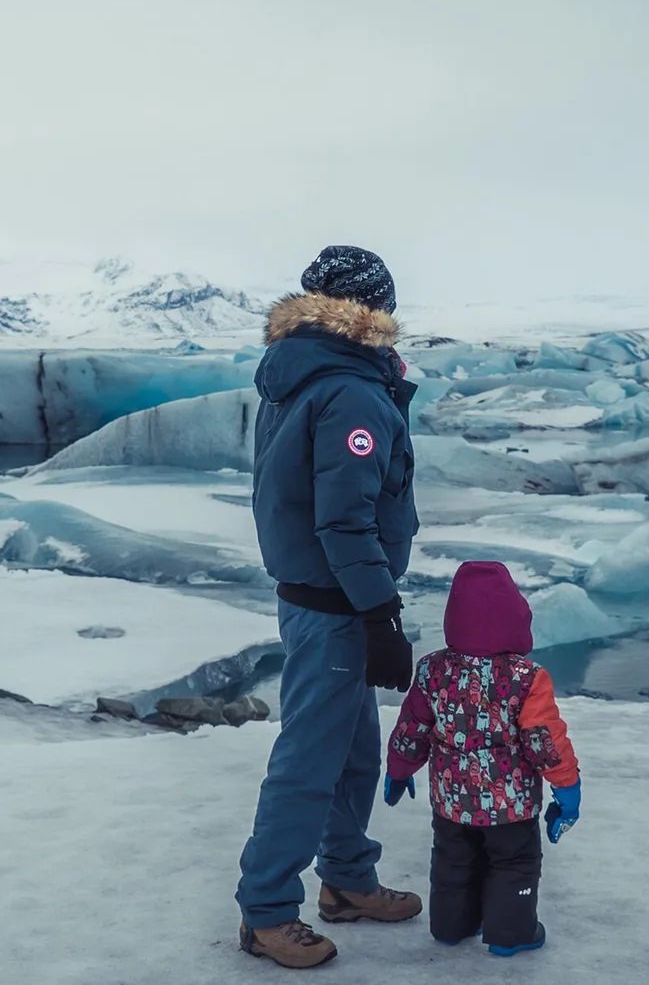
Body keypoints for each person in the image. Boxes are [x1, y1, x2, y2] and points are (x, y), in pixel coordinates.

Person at [236, 244, 423, 970]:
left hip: (319, 595)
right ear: (372, 310)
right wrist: (379, 613)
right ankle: (268, 911)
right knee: (310, 760)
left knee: (352, 753)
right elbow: (344, 518)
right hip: (338, 602)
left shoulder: (301, 375)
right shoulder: (347, 391)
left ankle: (346, 879)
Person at [383, 560, 581, 959]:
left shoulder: (433, 669)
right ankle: (511, 933)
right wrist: (567, 785)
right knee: (513, 862)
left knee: (453, 862)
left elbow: (414, 725)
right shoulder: (527, 676)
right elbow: (542, 738)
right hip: (511, 806)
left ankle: (451, 926)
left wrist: (399, 768)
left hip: (452, 801)